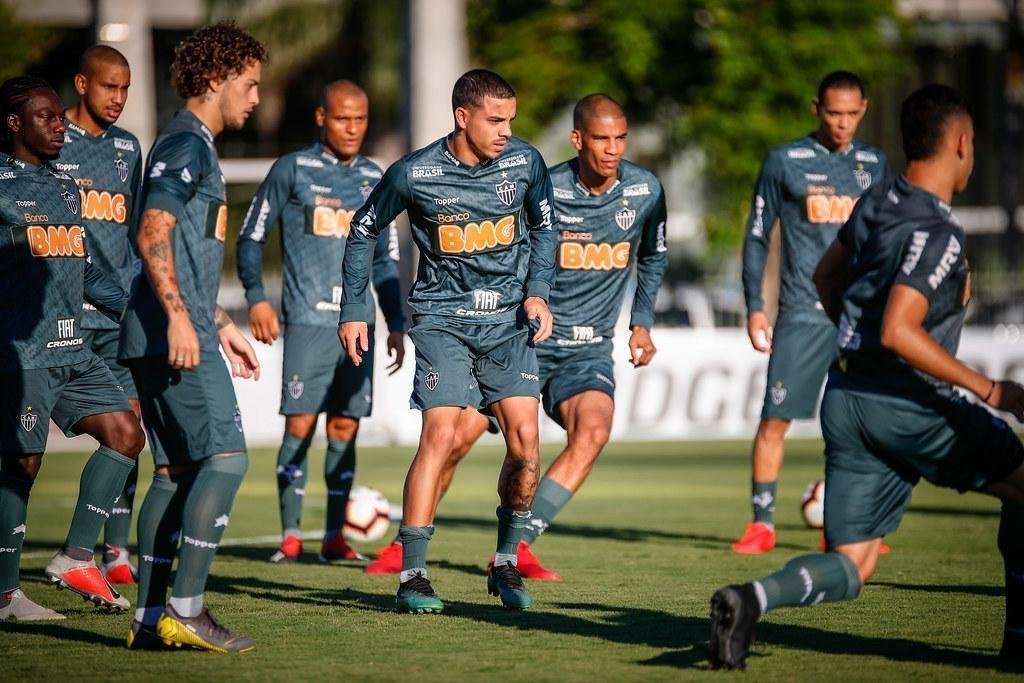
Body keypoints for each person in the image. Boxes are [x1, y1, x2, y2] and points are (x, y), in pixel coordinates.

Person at [708, 84, 1024, 670]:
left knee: (853, 563)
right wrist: (994, 390)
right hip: (905, 400)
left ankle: (749, 598)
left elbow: (828, 278)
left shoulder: (876, 201)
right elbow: (901, 331)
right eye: (973, 142)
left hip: (847, 395)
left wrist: (853, 339)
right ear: (960, 144)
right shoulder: (939, 232)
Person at [364, 94, 669, 580]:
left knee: (593, 430)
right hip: (519, 335)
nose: (613, 149)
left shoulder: (646, 190)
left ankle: (518, 544)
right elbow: (502, 242)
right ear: (577, 139)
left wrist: (642, 321)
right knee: (455, 439)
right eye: (602, 138)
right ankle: (408, 547)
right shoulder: (542, 181)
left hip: (585, 350)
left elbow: (653, 255)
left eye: (621, 138)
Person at [340, 68, 556, 613]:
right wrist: (354, 310)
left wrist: (538, 292)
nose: (508, 130)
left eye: (512, 119)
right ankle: (413, 575)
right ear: (463, 117)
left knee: (527, 446)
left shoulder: (526, 164)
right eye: (496, 119)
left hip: (509, 324)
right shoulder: (415, 173)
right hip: (442, 322)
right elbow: (363, 230)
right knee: (440, 432)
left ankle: (505, 561)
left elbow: (545, 228)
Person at [118, 22, 266, 651]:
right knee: (228, 458)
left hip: (168, 331)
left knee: (175, 473)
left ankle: (151, 619)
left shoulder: (191, 142)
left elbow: (186, 246)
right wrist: (182, 318)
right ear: (215, 80)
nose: (256, 98)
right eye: (250, 84)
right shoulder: (187, 144)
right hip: (171, 335)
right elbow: (152, 230)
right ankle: (188, 607)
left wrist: (221, 322)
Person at [237, 80, 406, 565]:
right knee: (301, 425)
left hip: (361, 326)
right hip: (309, 323)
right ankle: (290, 536)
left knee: (345, 428)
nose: (352, 128)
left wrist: (394, 321)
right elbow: (249, 239)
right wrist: (256, 299)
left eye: (360, 119)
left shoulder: (377, 177)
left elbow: (387, 261)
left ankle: (335, 537)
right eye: (342, 118)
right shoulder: (292, 170)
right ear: (321, 118)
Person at [0, 76, 144, 621]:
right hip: (23, 351)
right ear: (16, 124)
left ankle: (76, 556)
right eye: (47, 118)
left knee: (127, 434)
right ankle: (6, 595)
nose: (61, 126)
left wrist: (134, 308)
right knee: (24, 462)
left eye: (62, 117)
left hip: (74, 346)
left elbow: (84, 269)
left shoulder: (64, 186)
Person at [733, 71, 889, 554]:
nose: (842, 123)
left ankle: (847, 527)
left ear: (863, 109)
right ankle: (762, 524)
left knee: (855, 421)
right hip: (803, 311)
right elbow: (758, 235)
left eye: (851, 114)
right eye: (833, 113)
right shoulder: (785, 161)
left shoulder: (875, 164)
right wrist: (756, 306)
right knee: (775, 418)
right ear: (815, 108)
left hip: (859, 315)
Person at [60, 45, 145, 585]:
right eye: (109, 87)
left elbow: (135, 229)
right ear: (82, 84)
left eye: (126, 88)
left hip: (120, 316)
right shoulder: (48, 139)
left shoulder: (127, 148)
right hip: (66, 316)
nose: (118, 98)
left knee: (131, 429)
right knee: (23, 454)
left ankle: (115, 551)